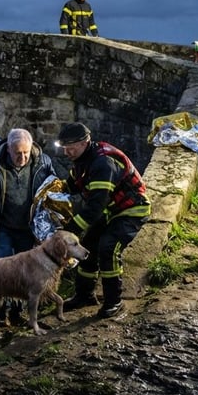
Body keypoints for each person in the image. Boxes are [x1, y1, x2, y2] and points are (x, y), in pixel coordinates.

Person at [56, 122, 150, 318]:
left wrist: (70, 230)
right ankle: (84, 295)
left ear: (85, 143)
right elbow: (73, 185)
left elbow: (95, 207)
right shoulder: (83, 159)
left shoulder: (103, 163)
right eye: (64, 148)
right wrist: (55, 191)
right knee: (88, 246)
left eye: (70, 148)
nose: (67, 152)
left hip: (131, 209)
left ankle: (114, 301)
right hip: (110, 210)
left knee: (109, 247)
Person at [0, 127, 55, 323]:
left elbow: (53, 191)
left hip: (28, 227)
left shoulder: (43, 162)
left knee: (26, 272)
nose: (22, 158)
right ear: (8, 149)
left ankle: (17, 313)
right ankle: (1, 312)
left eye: (25, 153)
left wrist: (50, 224)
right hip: (2, 226)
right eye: (17, 153)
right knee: (5, 270)